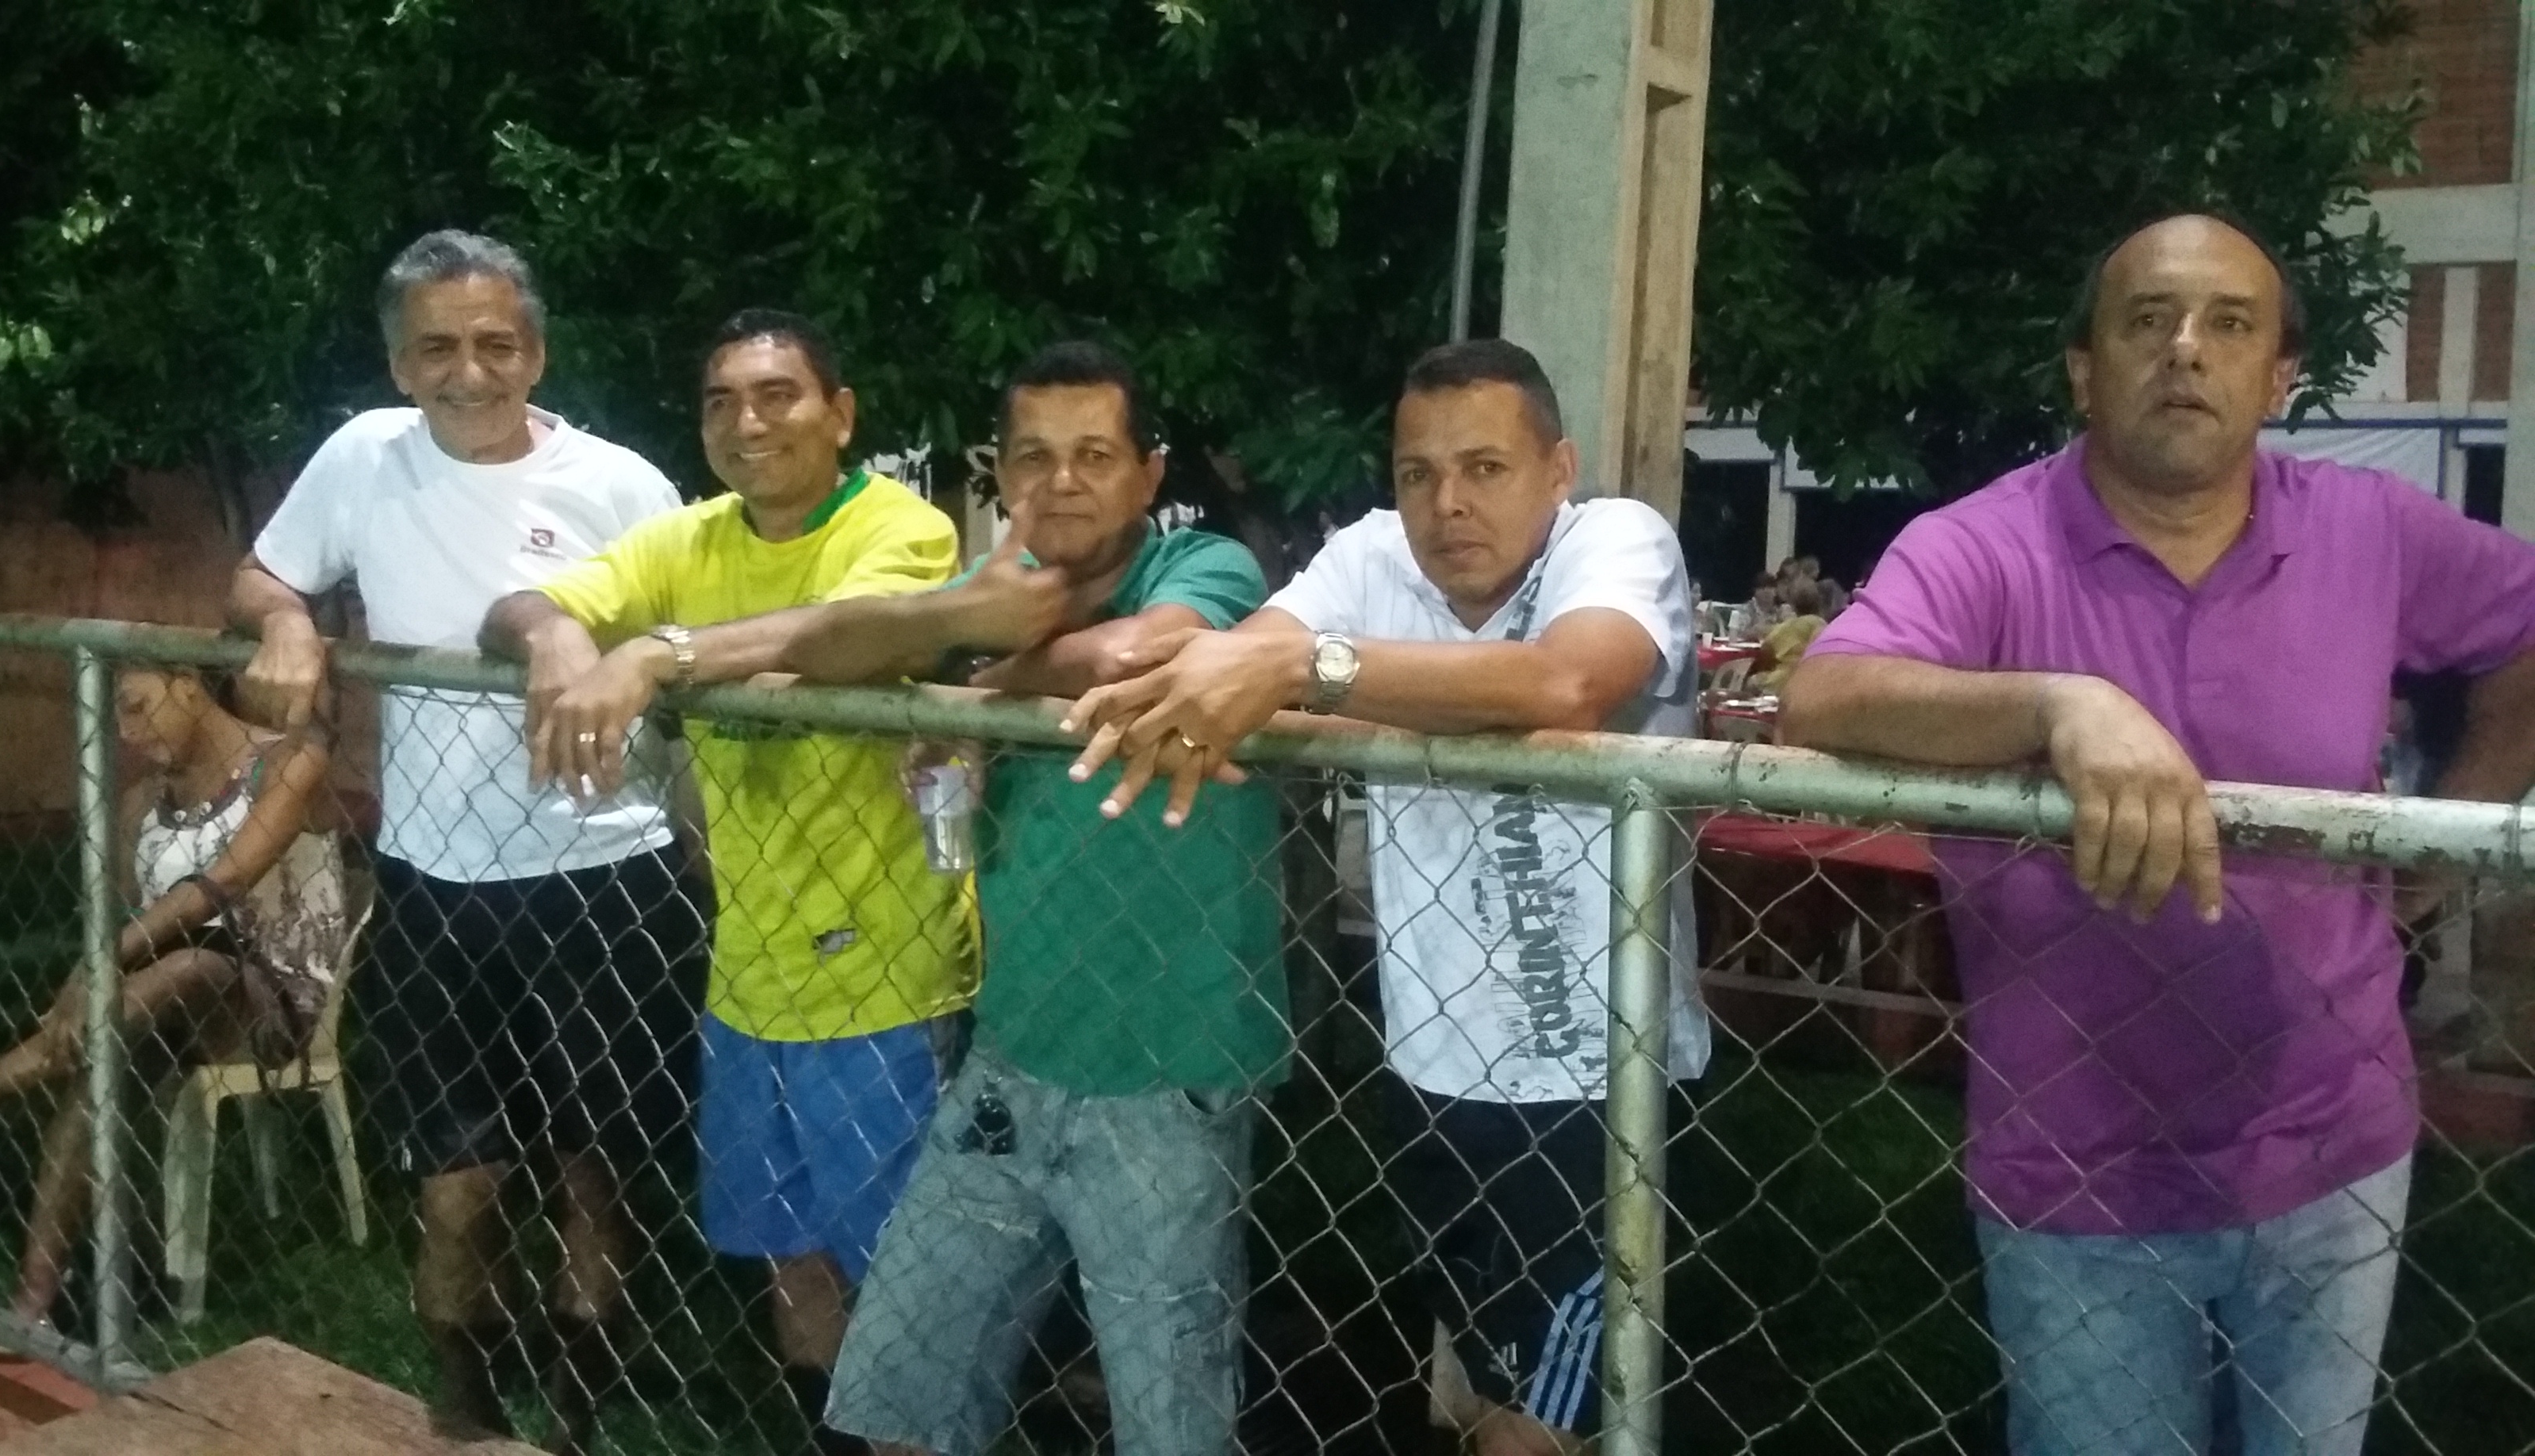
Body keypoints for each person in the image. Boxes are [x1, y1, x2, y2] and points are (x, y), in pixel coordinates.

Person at [1778, 213, 2535, 1456]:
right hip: (2077, 1173)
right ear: (2085, 371)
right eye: (2148, 321)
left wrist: (2451, 834)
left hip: (2336, 1147)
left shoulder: (2369, 530)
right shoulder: (1983, 545)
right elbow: (1827, 695)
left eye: (2229, 324)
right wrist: (2058, 704)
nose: (2186, 348)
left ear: (2279, 378)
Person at [1064, 338, 1710, 1456]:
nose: (1447, 503)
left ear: (1557, 470)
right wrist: (1236, 677)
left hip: (1599, 1085)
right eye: (1419, 473)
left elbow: (1567, 681)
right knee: (1480, 1392)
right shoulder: (1371, 558)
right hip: (1431, 1067)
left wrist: (1312, 673)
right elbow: (1240, 668)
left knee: (1547, 1429)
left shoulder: (1613, 541)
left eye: (1485, 468)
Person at [228, 230, 708, 1453]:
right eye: (436, 347)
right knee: (460, 1184)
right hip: (438, 883)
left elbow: (699, 645)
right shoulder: (362, 459)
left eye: (496, 343)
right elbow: (264, 576)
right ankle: (463, 1401)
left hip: (609, 873)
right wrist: (286, 621)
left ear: (536, 352)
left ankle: (578, 1408)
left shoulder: (622, 485)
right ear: (399, 364)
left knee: (599, 1169)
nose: (469, 372)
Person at [479, 309, 983, 1454]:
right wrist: (559, 640)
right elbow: (519, 603)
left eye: (777, 395)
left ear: (839, 415)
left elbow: (846, 631)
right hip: (748, 975)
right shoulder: (690, 540)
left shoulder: (899, 526)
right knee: (789, 1255)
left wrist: (657, 653)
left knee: (904, 1275)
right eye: (722, 401)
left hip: (886, 978)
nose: (748, 422)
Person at [822, 341, 1289, 1456]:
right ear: (1001, 474)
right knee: (896, 1395)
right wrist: (951, 673)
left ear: (1149, 472)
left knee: (1168, 1427)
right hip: (1012, 1056)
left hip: (1169, 1074)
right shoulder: (990, 598)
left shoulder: (1204, 566)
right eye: (1034, 457)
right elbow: (834, 642)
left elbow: (1141, 651)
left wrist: (980, 690)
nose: (1063, 481)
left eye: (1095, 455)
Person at [0, 666, 349, 1333]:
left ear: (188, 686)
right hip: (158, 1000)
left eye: (137, 707)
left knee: (191, 965)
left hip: (274, 1003)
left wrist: (101, 964)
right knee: (100, 1072)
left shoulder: (287, 762)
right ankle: (32, 1304)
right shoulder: (142, 803)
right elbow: (122, 914)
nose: (127, 732)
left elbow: (224, 883)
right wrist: (101, 969)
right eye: (117, 716)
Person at [1749, 579, 1827, 693]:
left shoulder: (1786, 627)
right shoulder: (1824, 626)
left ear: (1793, 605)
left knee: (1752, 682)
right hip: (1816, 681)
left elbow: (1765, 654)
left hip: (1786, 680)